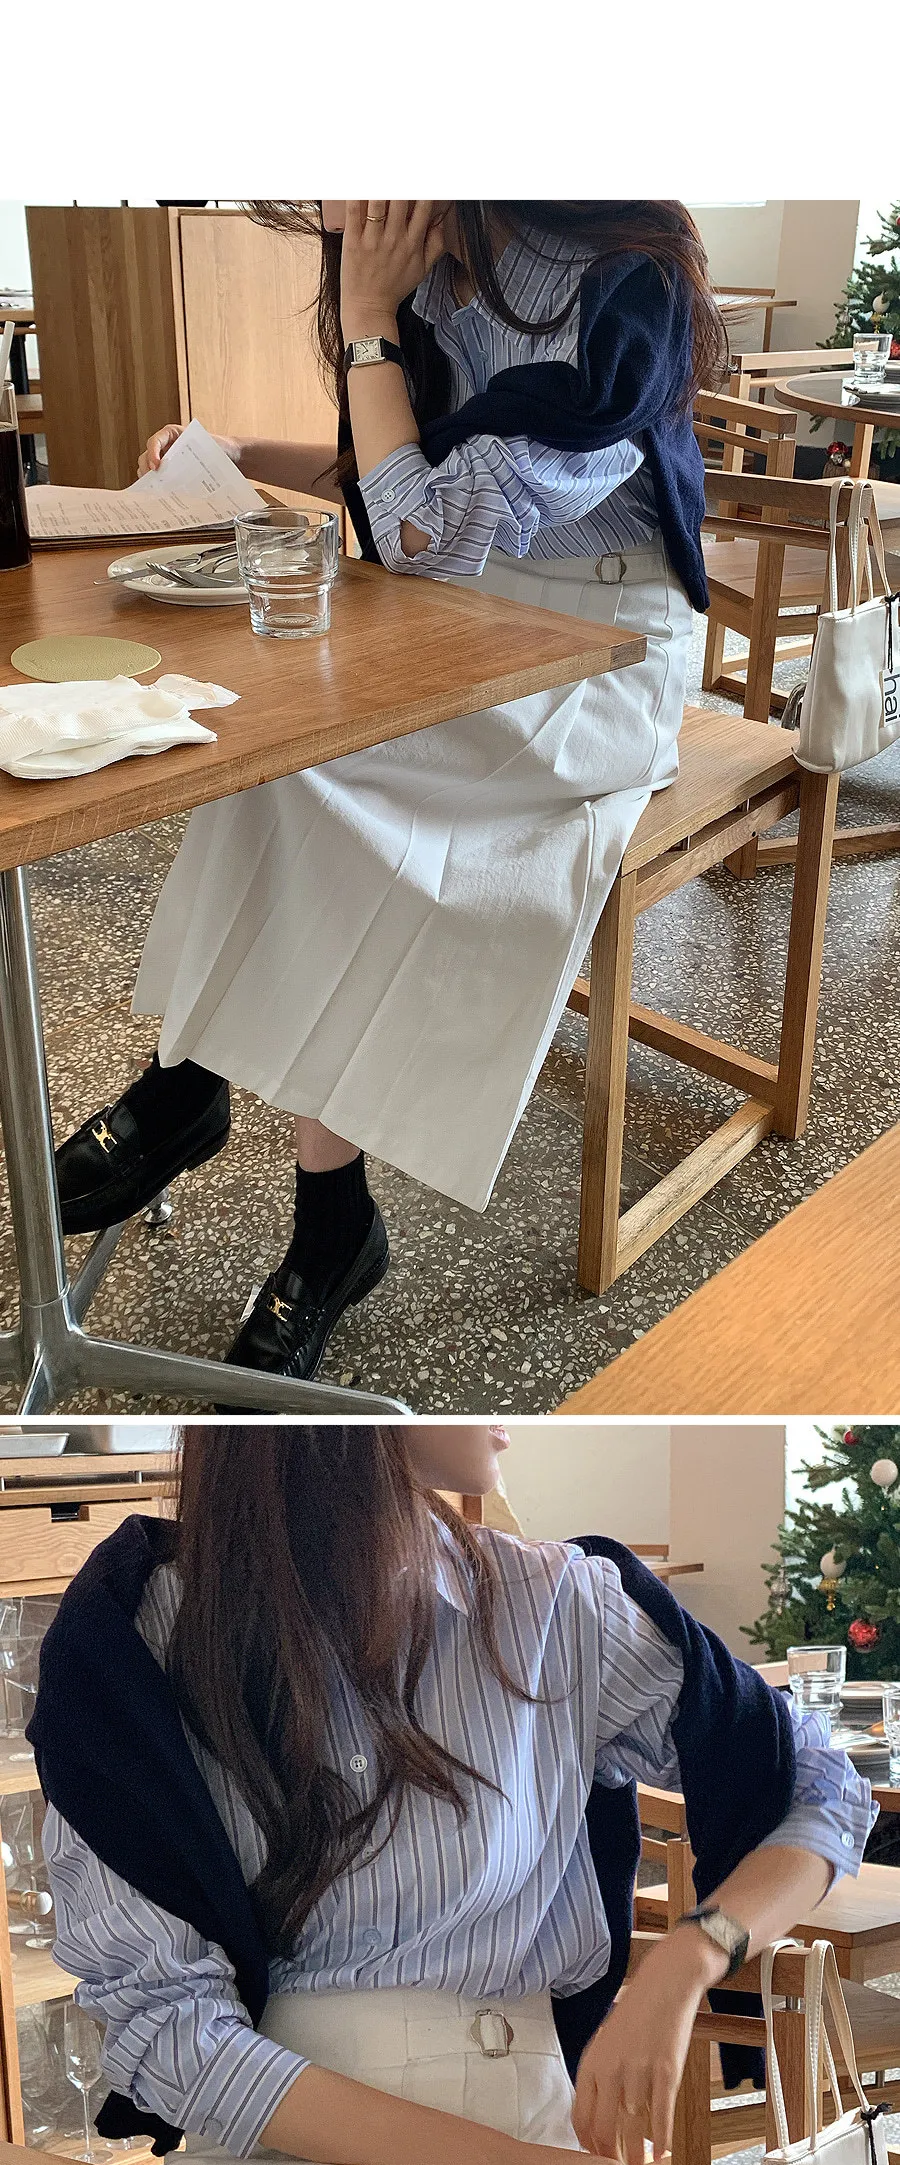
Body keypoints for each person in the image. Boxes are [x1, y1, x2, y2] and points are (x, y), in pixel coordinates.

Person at [0, 1421, 873, 2165]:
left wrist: (684, 1963)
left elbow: (820, 1785)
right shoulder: (140, 1638)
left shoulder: (557, 1606)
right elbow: (168, 2029)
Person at [55, 198, 725, 1382]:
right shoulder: (424, 272)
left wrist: (368, 315)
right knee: (280, 755)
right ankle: (290, 1181)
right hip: (468, 626)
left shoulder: (621, 285)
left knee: (327, 785)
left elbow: (419, 531)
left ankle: (207, 1107)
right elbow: (403, 473)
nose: (332, 205)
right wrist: (241, 460)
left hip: (605, 656)